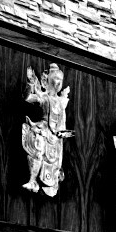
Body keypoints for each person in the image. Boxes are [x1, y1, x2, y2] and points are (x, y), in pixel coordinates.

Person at [21, 63, 73, 197]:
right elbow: (28, 97)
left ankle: (53, 180)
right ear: (47, 81)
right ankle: (32, 180)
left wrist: (65, 133)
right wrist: (30, 84)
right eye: (55, 79)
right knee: (38, 151)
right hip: (44, 130)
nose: (58, 83)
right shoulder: (45, 97)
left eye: (60, 80)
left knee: (56, 159)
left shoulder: (61, 101)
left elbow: (62, 122)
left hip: (56, 135)